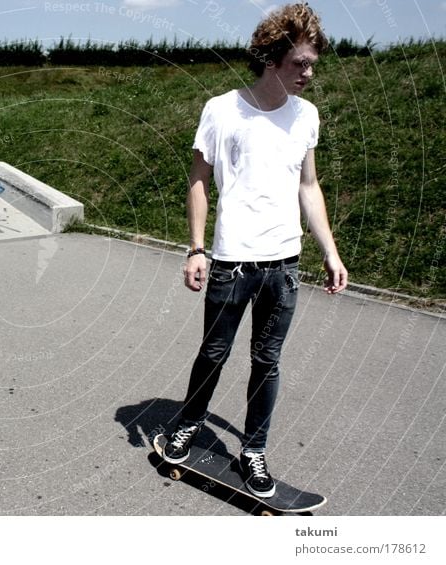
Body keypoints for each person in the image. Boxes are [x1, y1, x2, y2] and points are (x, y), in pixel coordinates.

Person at [156, 3, 348, 498]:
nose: (308, 73)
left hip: (283, 266)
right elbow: (198, 181)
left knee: (268, 361)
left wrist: (330, 251)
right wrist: (196, 248)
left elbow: (309, 186)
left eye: (312, 64)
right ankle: (189, 423)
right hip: (231, 262)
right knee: (214, 354)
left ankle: (254, 451)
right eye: (299, 63)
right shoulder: (222, 109)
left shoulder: (306, 115)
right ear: (271, 58)